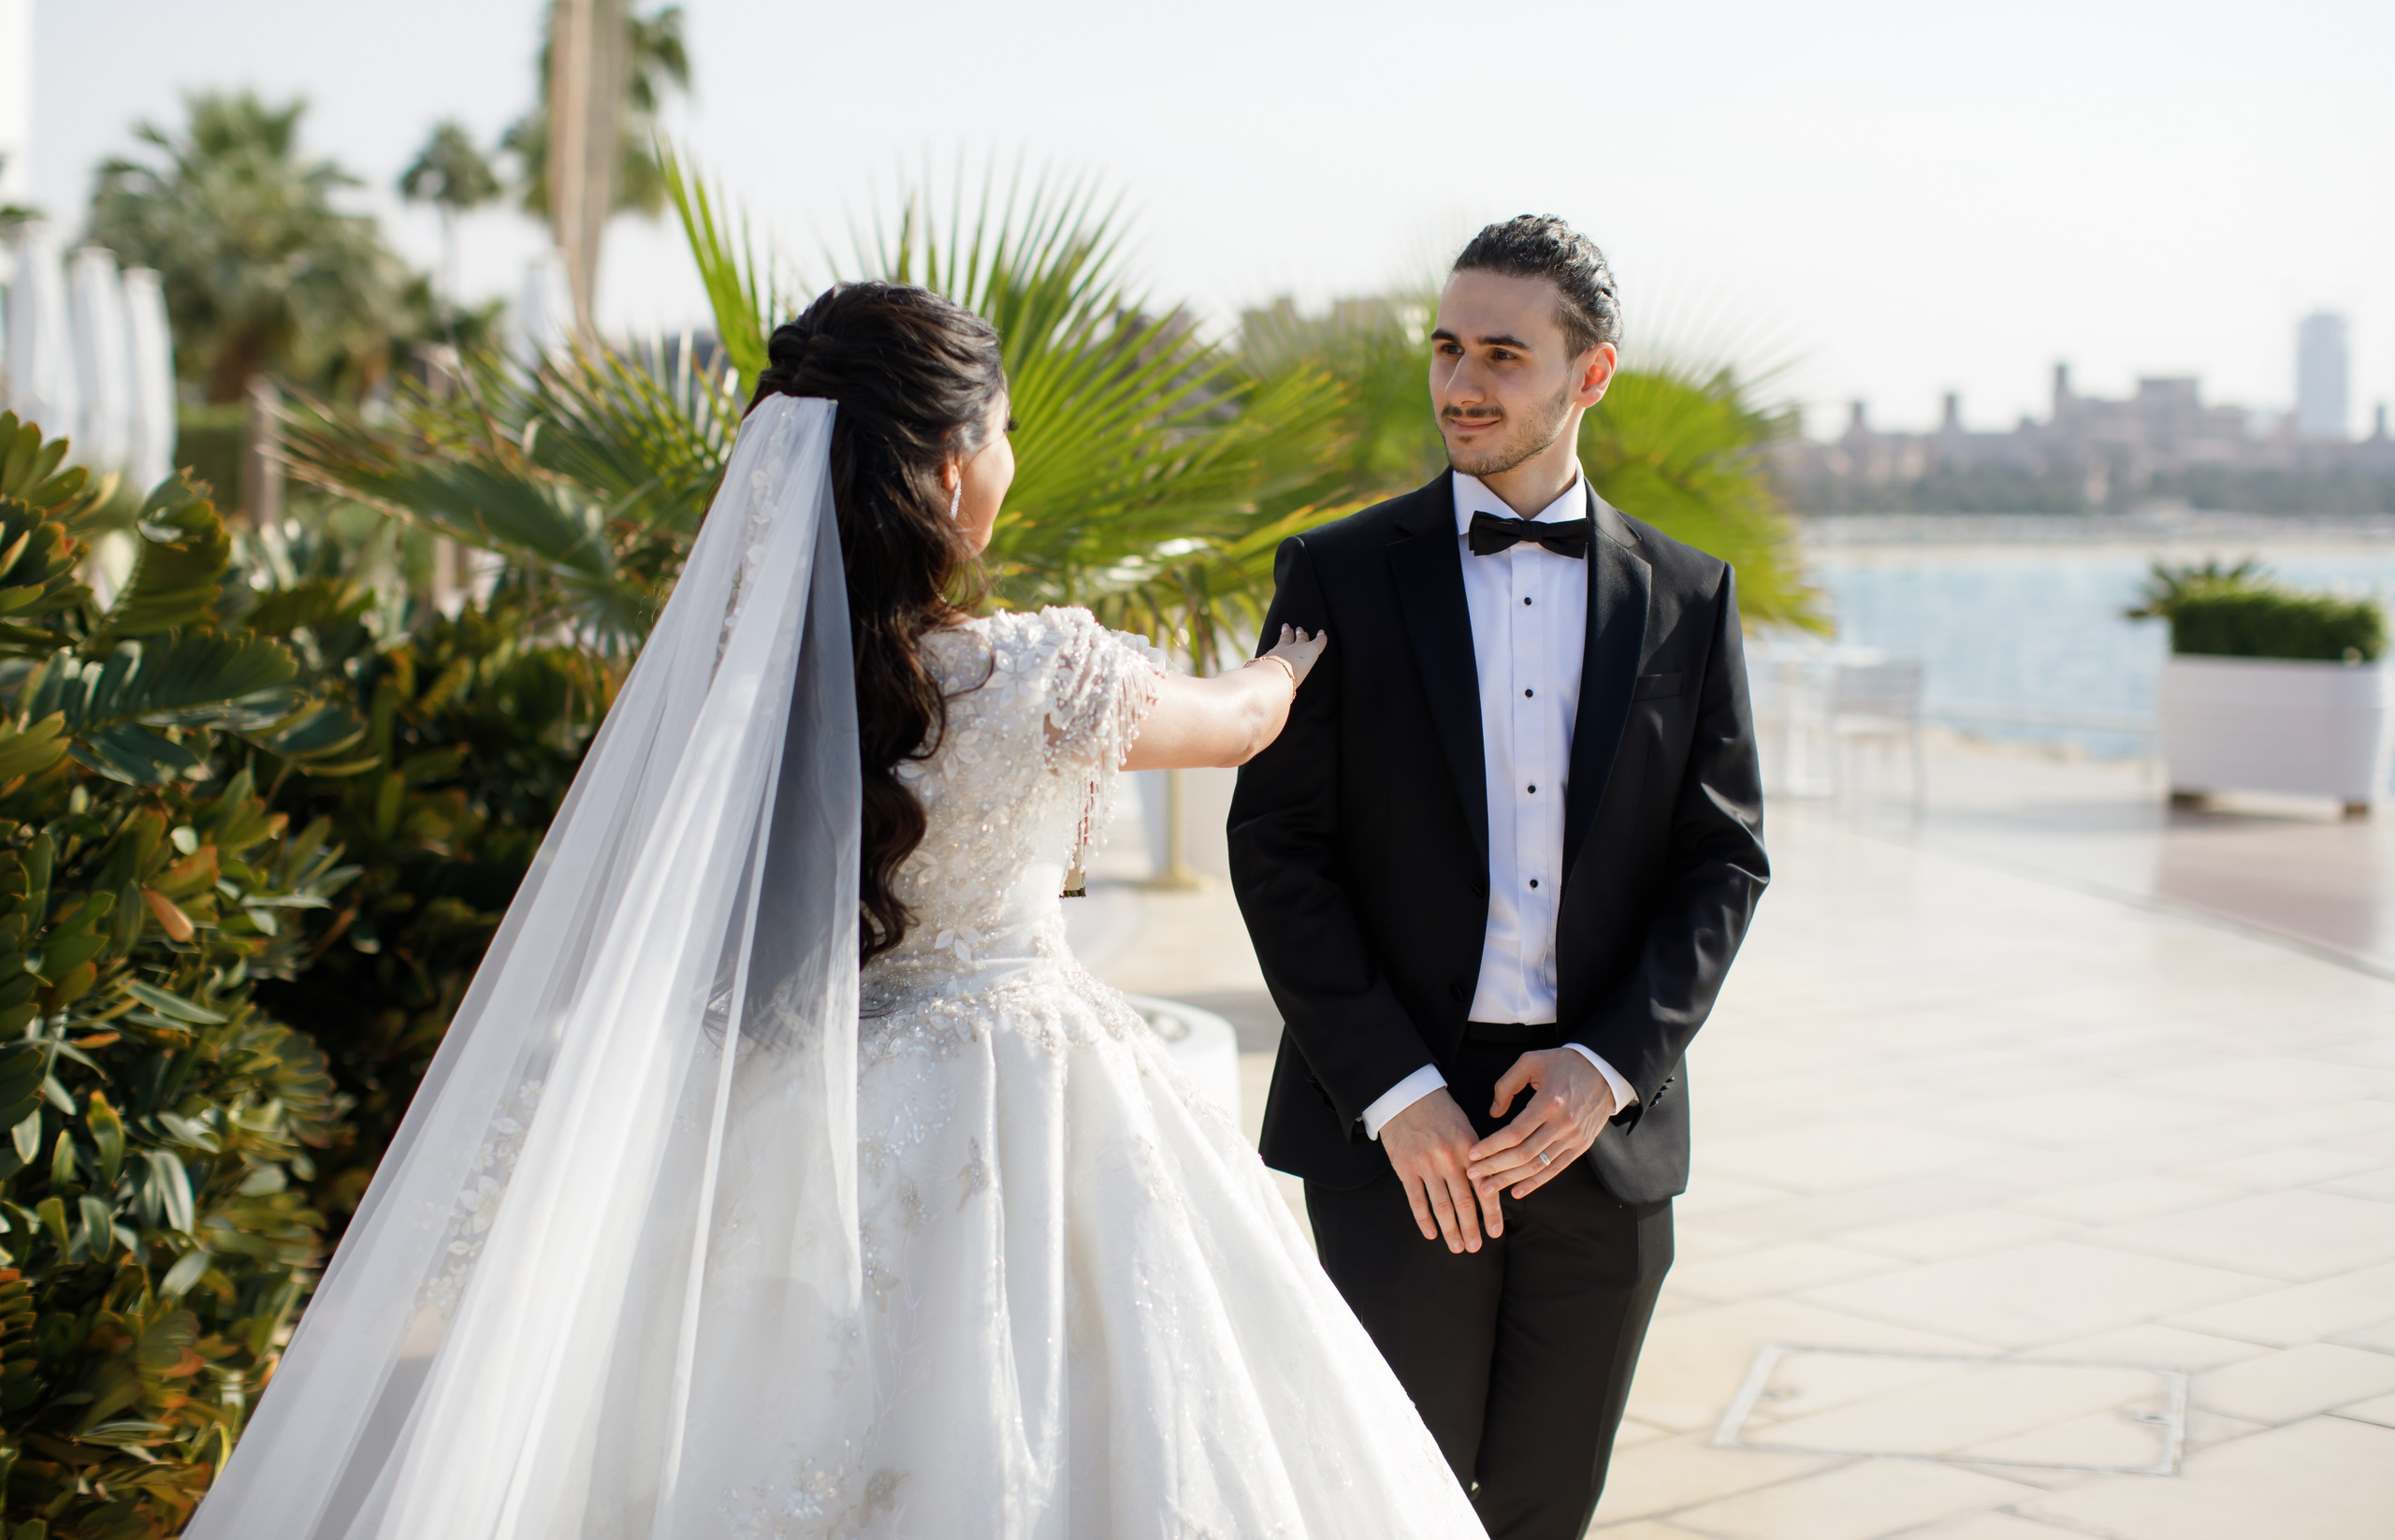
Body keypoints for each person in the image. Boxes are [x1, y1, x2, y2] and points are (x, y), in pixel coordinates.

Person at [188, 282, 1485, 1539]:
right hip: (1028, 1093)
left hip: (805, 1101)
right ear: (942, 472)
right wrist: (1295, 645)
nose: (1011, 464)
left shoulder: (741, 684)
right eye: (1004, 434)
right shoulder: (1036, 669)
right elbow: (1241, 725)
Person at [1228, 215, 1769, 1540]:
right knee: (1390, 1501)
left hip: (1600, 1131)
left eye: (1505, 355)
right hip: (1401, 1128)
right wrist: (1395, 1094)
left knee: (1546, 1507)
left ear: (1590, 376)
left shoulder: (1689, 597)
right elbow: (1277, 849)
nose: (1462, 383)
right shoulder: (1337, 574)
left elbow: (1724, 858)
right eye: (1448, 347)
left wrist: (1611, 1064)